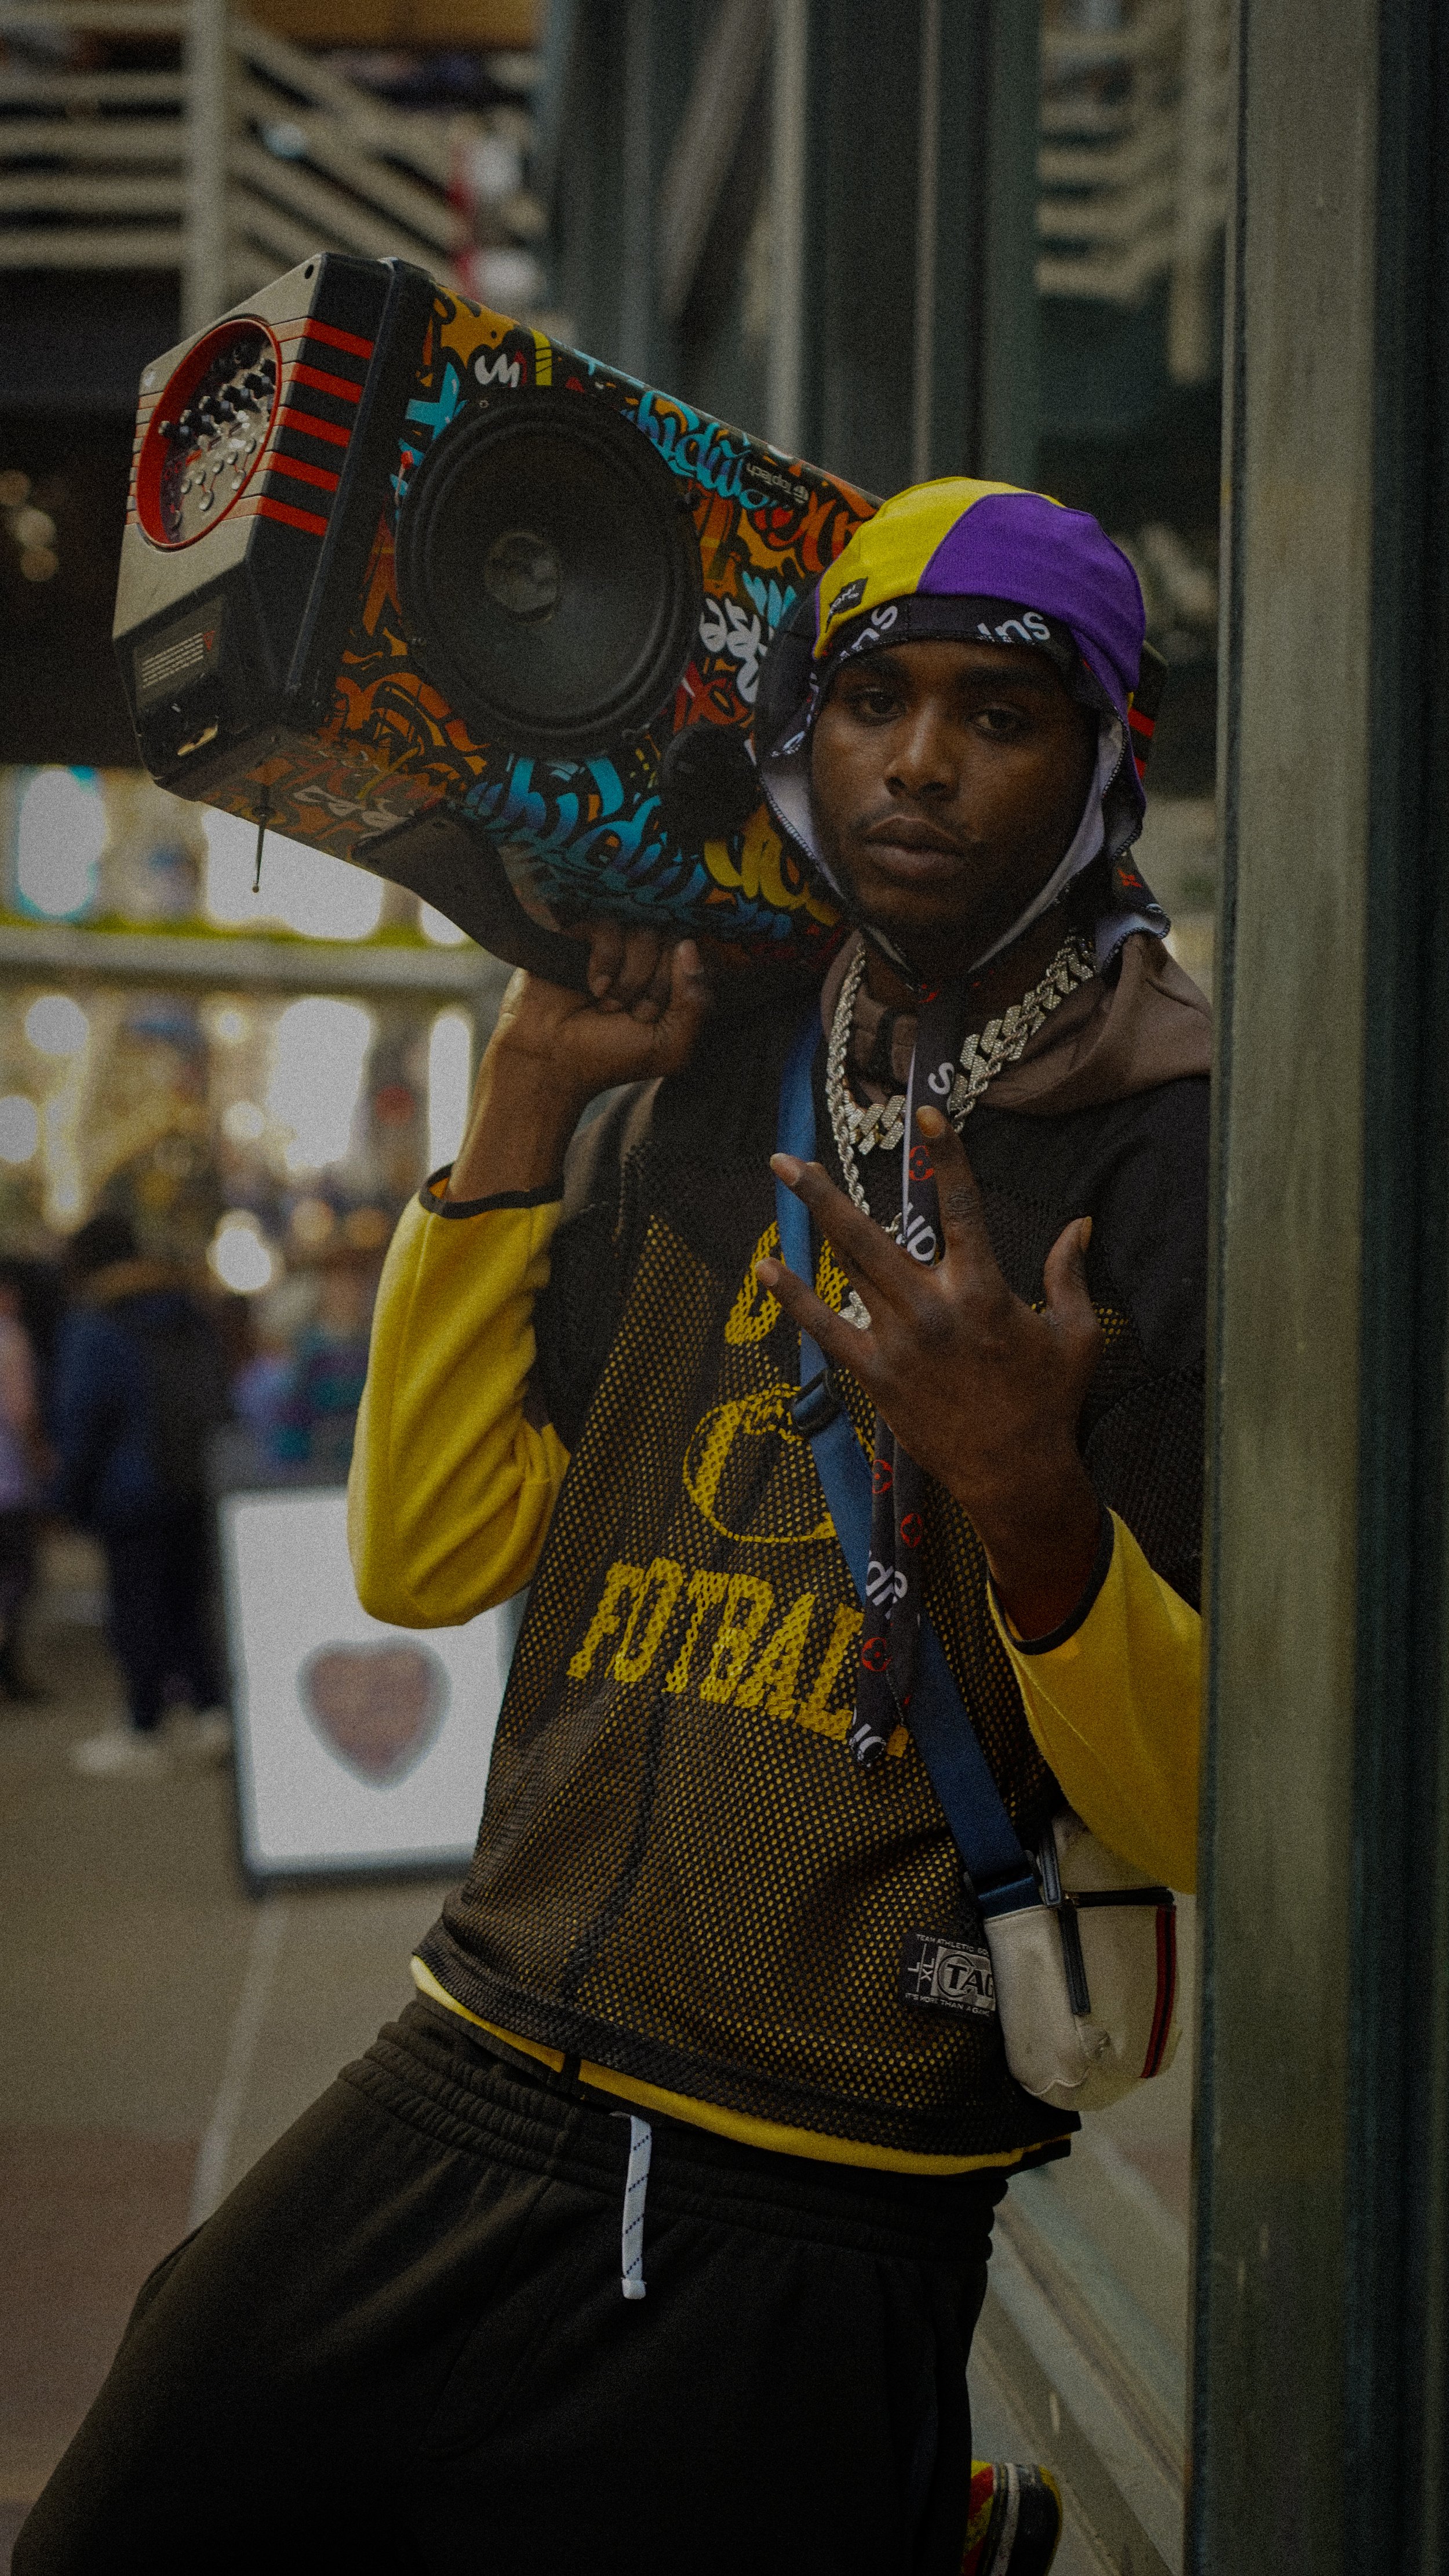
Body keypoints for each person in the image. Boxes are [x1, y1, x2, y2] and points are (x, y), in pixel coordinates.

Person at [16, 479, 1208, 2574]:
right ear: (799, 741)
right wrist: (516, 1112)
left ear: (1109, 756)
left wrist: (1025, 1493)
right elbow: (428, 1551)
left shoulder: (1178, 1147)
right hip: (479, 2050)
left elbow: (1208, 1804)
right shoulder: (712, 1071)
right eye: (870, 698)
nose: (920, 759)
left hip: (826, 2169)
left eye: (998, 712)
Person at [50, 1211, 232, 1777]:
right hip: (194, 1479)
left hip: (128, 1490)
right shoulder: (186, 1308)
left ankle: (143, 1727)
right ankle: (211, 1715)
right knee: (187, 1605)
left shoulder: (94, 1321)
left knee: (136, 1611)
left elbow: (84, 1416)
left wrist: (68, 1496)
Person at [0, 1260, 49, 1700]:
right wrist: (41, 1456)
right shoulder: (11, 1339)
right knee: (19, 1577)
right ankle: (8, 1665)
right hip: (9, 1482)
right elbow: (22, 1411)